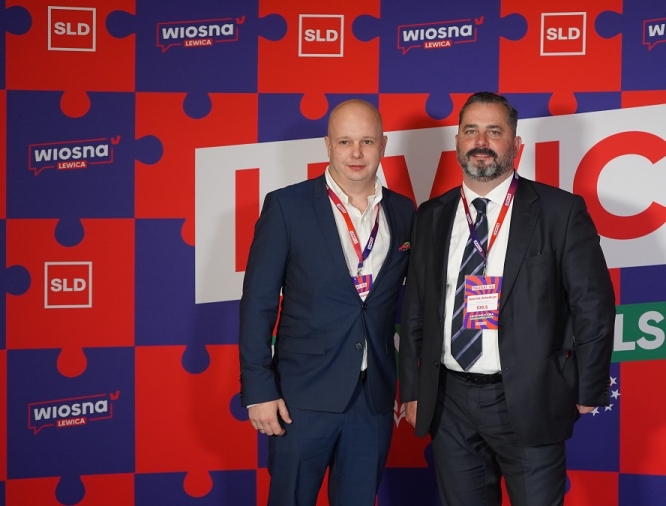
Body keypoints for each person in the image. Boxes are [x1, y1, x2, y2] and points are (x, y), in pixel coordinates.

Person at [399, 92, 617, 506]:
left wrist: (588, 387)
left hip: (530, 397)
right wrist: (412, 388)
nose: (481, 142)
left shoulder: (560, 211)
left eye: (494, 132)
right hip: (448, 401)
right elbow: (416, 309)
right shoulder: (431, 215)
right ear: (458, 142)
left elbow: (593, 306)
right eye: (471, 131)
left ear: (516, 145)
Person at [239, 99, 415, 505]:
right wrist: (259, 389)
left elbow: (412, 307)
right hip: (300, 399)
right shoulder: (287, 207)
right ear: (328, 145)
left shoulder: (404, 211)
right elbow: (258, 304)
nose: (356, 153)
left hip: (372, 400)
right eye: (345, 141)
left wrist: (411, 385)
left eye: (367, 141)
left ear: (383, 144)